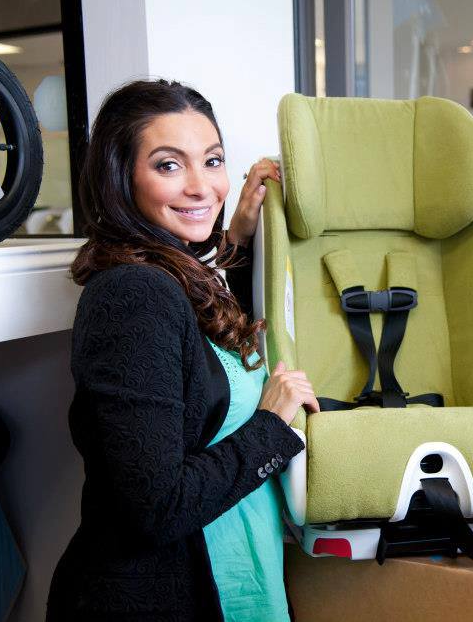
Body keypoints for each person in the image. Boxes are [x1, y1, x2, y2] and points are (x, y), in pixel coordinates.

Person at [46, 79, 320, 622]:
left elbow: (207, 358)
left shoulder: (169, 278)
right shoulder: (132, 297)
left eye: (212, 161)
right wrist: (270, 426)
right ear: (121, 178)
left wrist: (236, 238)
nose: (201, 187)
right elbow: (157, 508)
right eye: (169, 165)